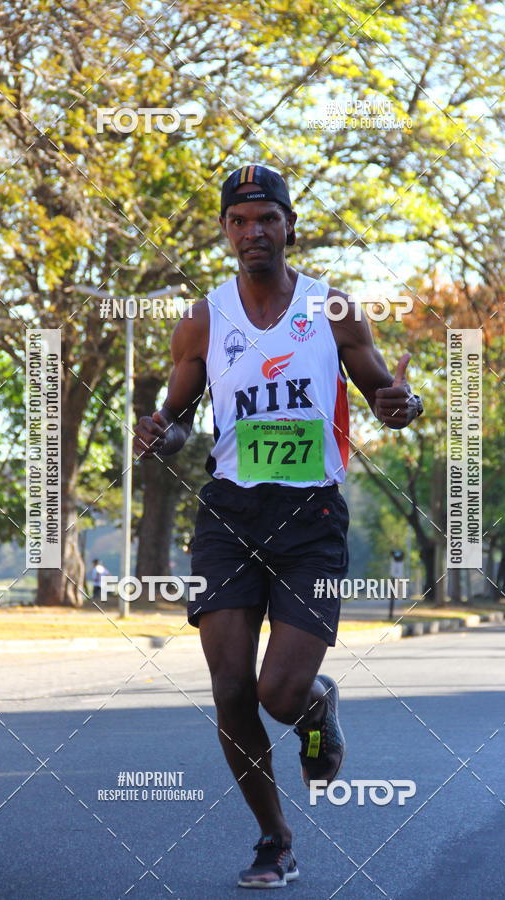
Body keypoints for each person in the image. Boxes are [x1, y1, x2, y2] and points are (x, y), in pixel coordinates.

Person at [134, 164, 423, 889]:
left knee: (281, 697)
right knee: (231, 688)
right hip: (229, 515)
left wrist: (401, 405)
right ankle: (273, 838)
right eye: (239, 220)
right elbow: (176, 422)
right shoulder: (203, 317)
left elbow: (384, 391)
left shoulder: (333, 311)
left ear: (288, 225)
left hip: (312, 519)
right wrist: (158, 433)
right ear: (226, 230)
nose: (253, 231)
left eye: (267, 218)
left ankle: (319, 701)